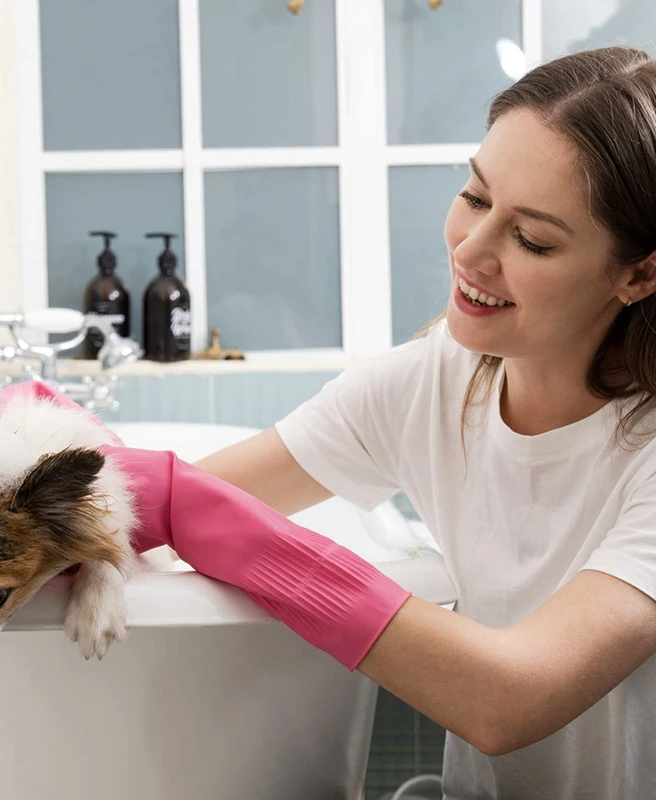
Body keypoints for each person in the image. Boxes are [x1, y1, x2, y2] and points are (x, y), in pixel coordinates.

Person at [137, 46, 656, 799]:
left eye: (533, 239)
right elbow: (183, 499)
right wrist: (46, 483)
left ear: (639, 273)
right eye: (475, 198)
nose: (472, 252)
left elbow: (510, 697)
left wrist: (269, 555)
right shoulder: (435, 380)